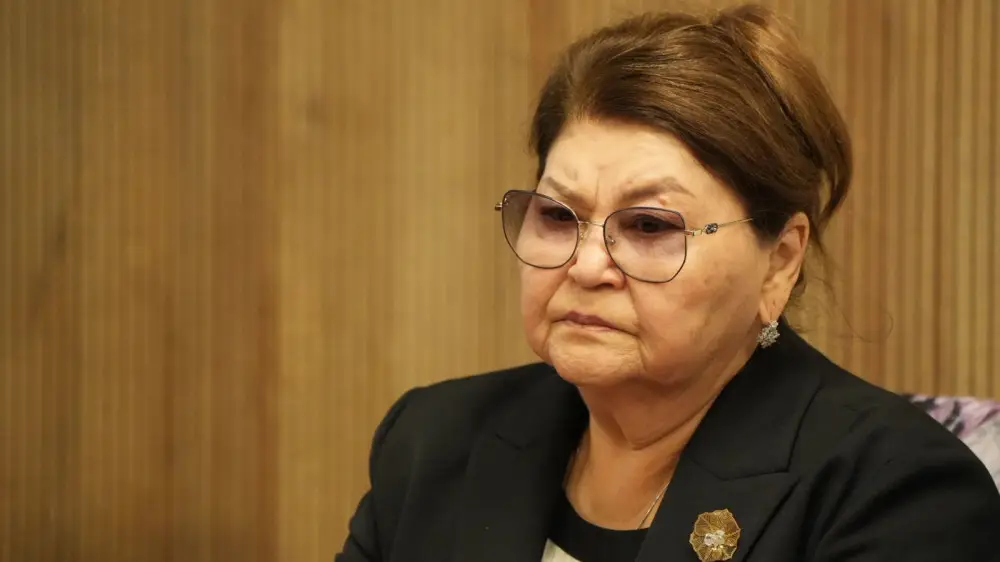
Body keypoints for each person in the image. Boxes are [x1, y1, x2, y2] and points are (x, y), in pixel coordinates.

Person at [336, 4, 1000, 561]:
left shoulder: (894, 493)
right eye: (558, 216)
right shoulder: (434, 442)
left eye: (650, 226)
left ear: (779, 262)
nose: (585, 267)